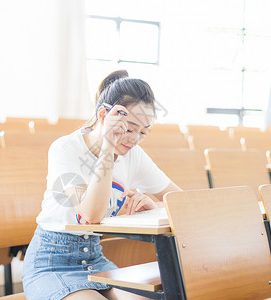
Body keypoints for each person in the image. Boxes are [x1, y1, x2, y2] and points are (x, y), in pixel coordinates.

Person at [22, 70, 181, 300]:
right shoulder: (65, 149)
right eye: (129, 129)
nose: (134, 139)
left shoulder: (133, 155)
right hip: (51, 263)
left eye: (143, 132)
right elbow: (90, 215)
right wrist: (107, 148)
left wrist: (155, 205)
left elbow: (182, 203)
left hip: (95, 260)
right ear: (104, 115)